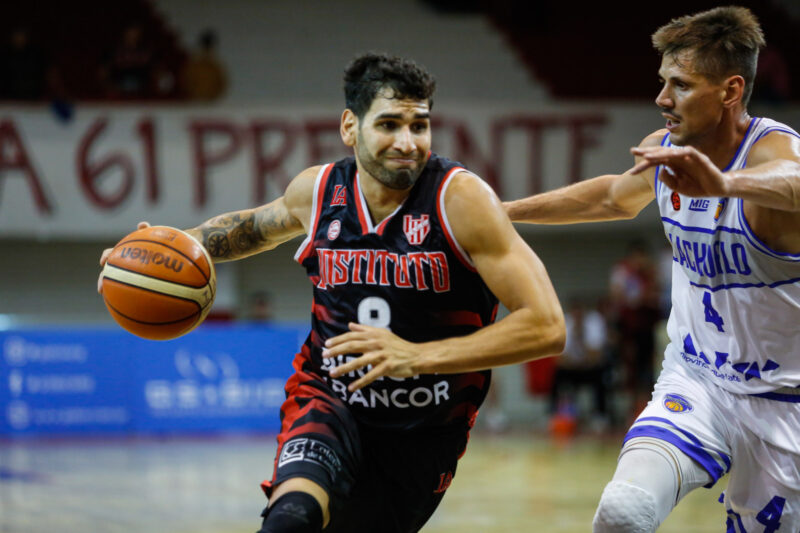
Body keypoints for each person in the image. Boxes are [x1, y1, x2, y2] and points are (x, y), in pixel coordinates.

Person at [99, 52, 565, 533]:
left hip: (424, 430)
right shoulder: (319, 191)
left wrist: (416, 356)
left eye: (419, 126)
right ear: (350, 127)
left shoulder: (461, 200)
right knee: (291, 519)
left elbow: (547, 326)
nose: (407, 142)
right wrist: (150, 254)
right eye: (389, 124)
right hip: (328, 398)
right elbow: (248, 229)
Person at [504, 6, 800, 532]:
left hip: (783, 402)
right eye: (663, 82)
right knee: (625, 511)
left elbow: (794, 179)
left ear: (731, 91)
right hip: (698, 380)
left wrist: (727, 185)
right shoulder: (668, 151)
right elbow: (611, 198)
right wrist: (501, 213)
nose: (662, 98)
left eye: (681, 85)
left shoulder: (772, 154)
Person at [607, 240, 660, 418]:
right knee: (630, 369)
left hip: (646, 326)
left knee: (649, 368)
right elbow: (617, 295)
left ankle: (649, 407)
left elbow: (655, 297)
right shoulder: (622, 271)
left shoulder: (650, 273)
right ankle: (631, 409)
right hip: (628, 327)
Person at [548, 297, 611, 430]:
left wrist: (580, 336)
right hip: (572, 368)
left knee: (600, 376)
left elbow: (596, 357)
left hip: (590, 369)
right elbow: (559, 358)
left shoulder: (594, 322)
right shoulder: (565, 323)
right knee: (556, 376)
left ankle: (600, 414)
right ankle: (553, 413)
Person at [179, 28, 227, 101]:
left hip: (209, 101)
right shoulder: (195, 65)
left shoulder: (215, 66)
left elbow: (221, 83)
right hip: (195, 101)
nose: (206, 50)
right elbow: (186, 82)